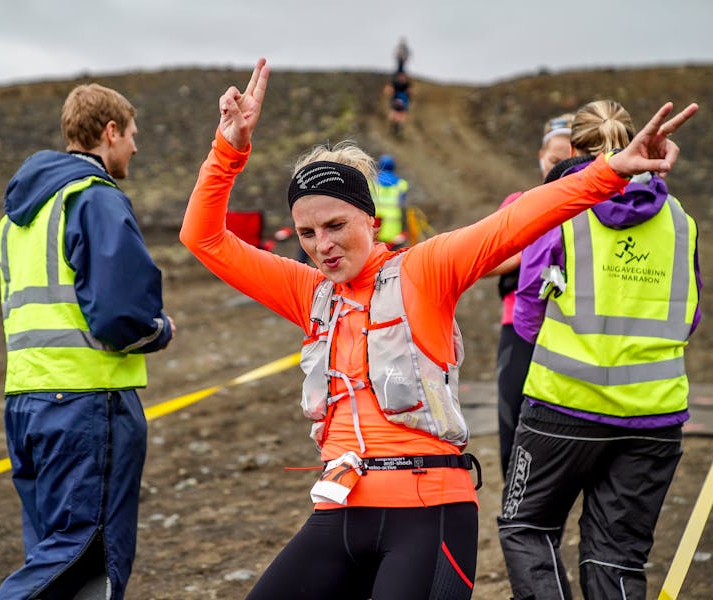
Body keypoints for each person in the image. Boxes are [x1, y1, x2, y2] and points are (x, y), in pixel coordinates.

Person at [179, 58, 696, 600]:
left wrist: (611, 171)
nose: (321, 245)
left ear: (370, 221)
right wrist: (228, 148)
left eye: (336, 225)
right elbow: (203, 238)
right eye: (306, 232)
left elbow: (515, 222)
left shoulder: (425, 271)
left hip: (428, 514)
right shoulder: (310, 292)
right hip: (339, 508)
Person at [498, 99, 702, 599]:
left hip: (563, 408)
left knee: (527, 529)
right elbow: (690, 316)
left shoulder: (562, 210)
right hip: (655, 418)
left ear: (573, 150)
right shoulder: (681, 222)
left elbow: (527, 309)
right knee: (616, 557)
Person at [0, 82, 175, 599]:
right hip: (87, 405)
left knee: (53, 556)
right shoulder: (93, 198)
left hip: (26, 406)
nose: (135, 148)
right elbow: (122, 316)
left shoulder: (17, 216)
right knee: (83, 558)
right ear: (109, 132)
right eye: (132, 136)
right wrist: (160, 330)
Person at [491, 113, 574, 478]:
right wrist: (537, 250)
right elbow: (485, 259)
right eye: (555, 160)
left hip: (574, 327)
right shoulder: (518, 202)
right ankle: (514, 504)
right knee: (512, 424)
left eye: (570, 158)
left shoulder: (596, 206)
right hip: (518, 325)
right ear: (542, 157)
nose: (561, 166)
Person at [371, 153, 410, 248]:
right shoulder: (401, 184)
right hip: (393, 228)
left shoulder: (371, 183)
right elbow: (402, 203)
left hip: (375, 227)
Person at [385, 70, 411, 137]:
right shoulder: (395, 84)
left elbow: (410, 93)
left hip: (403, 103)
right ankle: (394, 127)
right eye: (401, 77)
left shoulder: (407, 85)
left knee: (401, 118)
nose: (402, 79)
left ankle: (398, 129)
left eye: (403, 77)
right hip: (395, 102)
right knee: (393, 116)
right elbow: (389, 91)